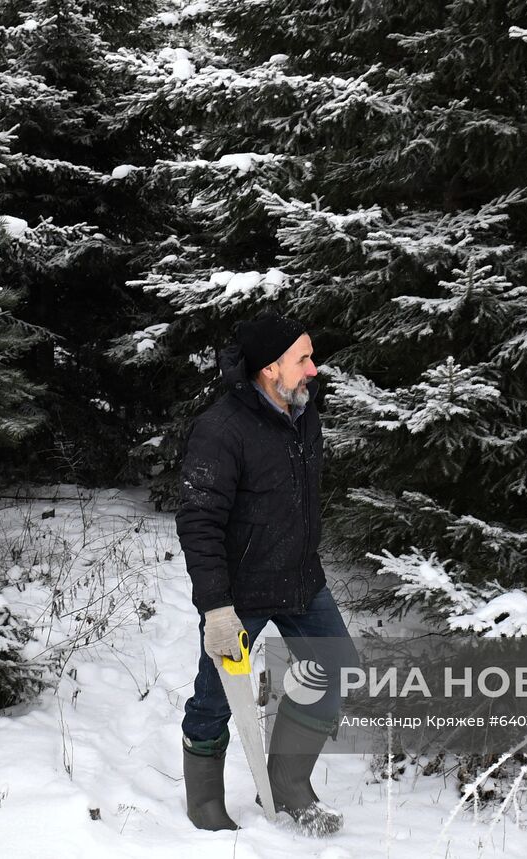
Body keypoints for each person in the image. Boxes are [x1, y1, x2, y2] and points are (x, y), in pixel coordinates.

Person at [175, 311, 358, 835]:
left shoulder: (304, 413)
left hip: (302, 581)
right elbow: (199, 521)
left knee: (335, 670)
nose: (314, 369)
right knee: (214, 701)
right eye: (303, 359)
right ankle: (206, 801)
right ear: (270, 369)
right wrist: (216, 607)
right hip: (239, 595)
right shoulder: (221, 429)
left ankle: (287, 786)